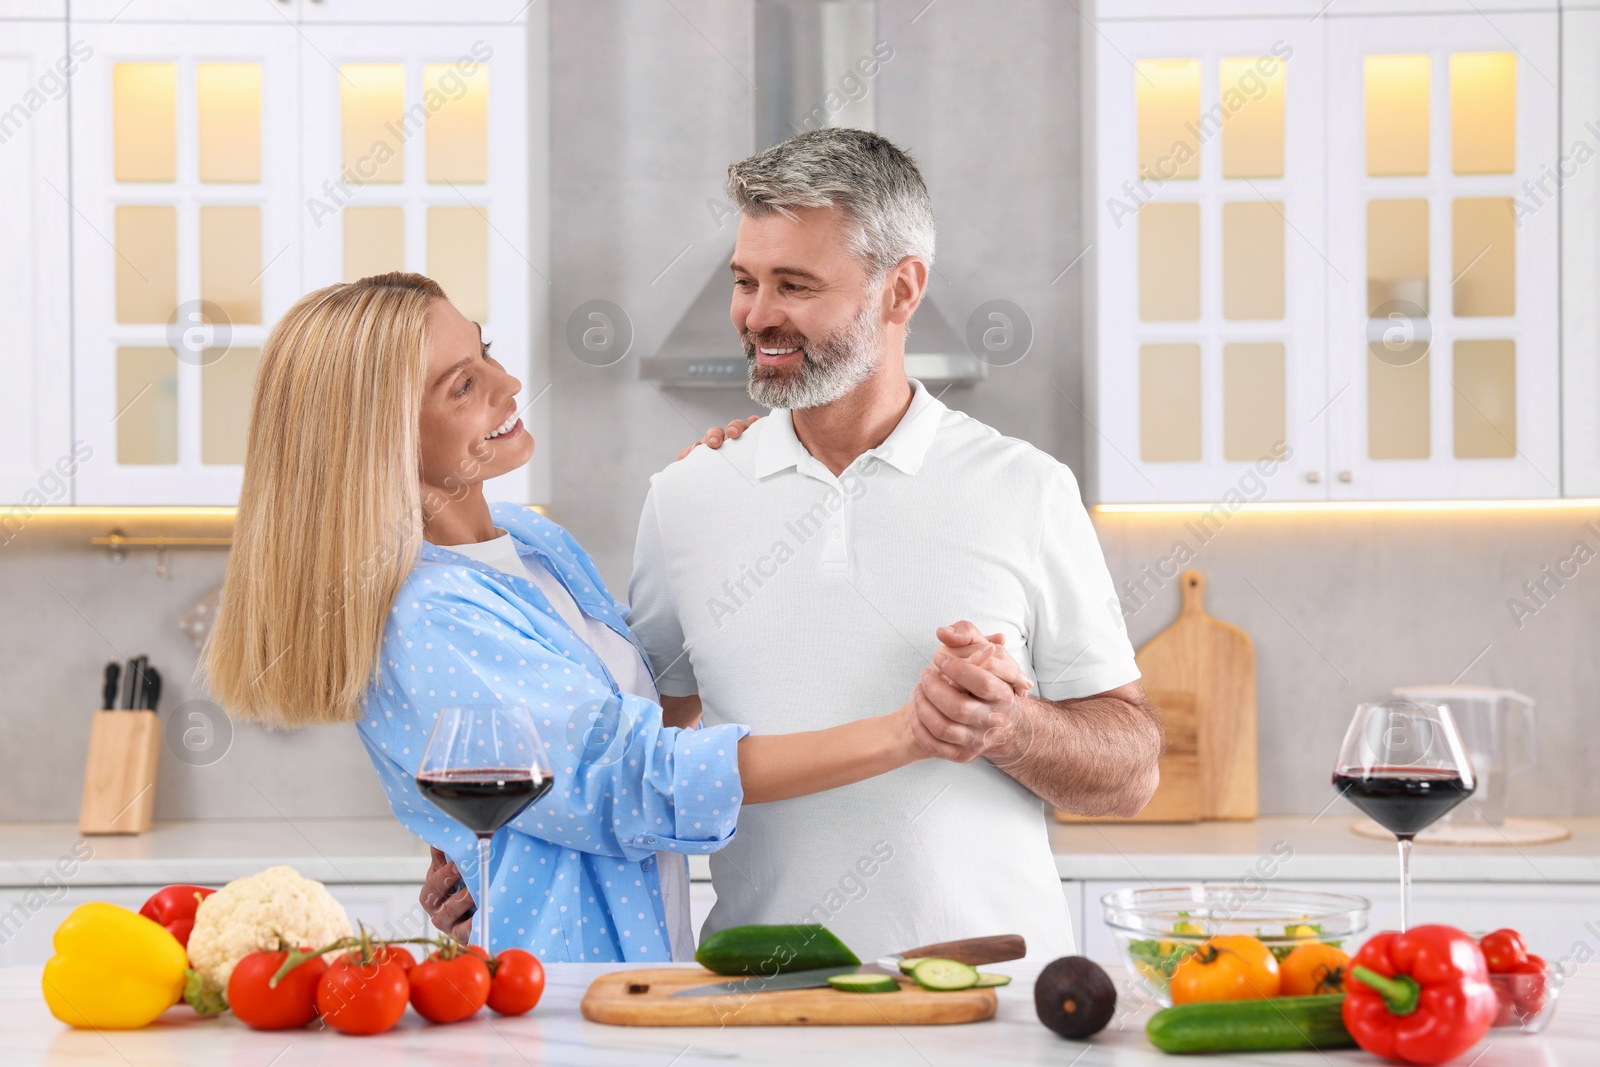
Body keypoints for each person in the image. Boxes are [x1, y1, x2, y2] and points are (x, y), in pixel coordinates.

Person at [425, 129, 1162, 962]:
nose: (757, 315)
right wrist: (495, 846)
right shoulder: (688, 497)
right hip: (756, 999)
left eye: (795, 285)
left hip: (990, 998)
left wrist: (1009, 724)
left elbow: (1132, 771)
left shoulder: (1025, 489)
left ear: (901, 290)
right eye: (745, 281)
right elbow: (635, 751)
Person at [199, 271, 1021, 963]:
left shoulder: (530, 543)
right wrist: (909, 733)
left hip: (630, 968)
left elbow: (646, 702)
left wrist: (725, 506)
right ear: (379, 442)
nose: (508, 384)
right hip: (555, 990)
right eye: (463, 385)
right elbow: (632, 777)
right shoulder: (430, 613)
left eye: (484, 352)